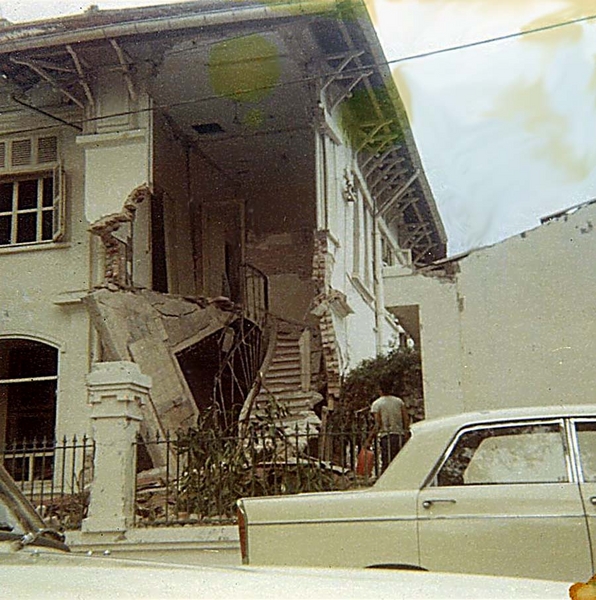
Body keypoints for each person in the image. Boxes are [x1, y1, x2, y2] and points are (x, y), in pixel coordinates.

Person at [365, 384, 410, 473]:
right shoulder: (399, 401)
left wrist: (369, 439)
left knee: (387, 461)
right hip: (399, 434)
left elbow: (378, 423)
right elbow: (406, 418)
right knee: (400, 460)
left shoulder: (377, 404)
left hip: (386, 436)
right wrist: (406, 432)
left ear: (380, 390)